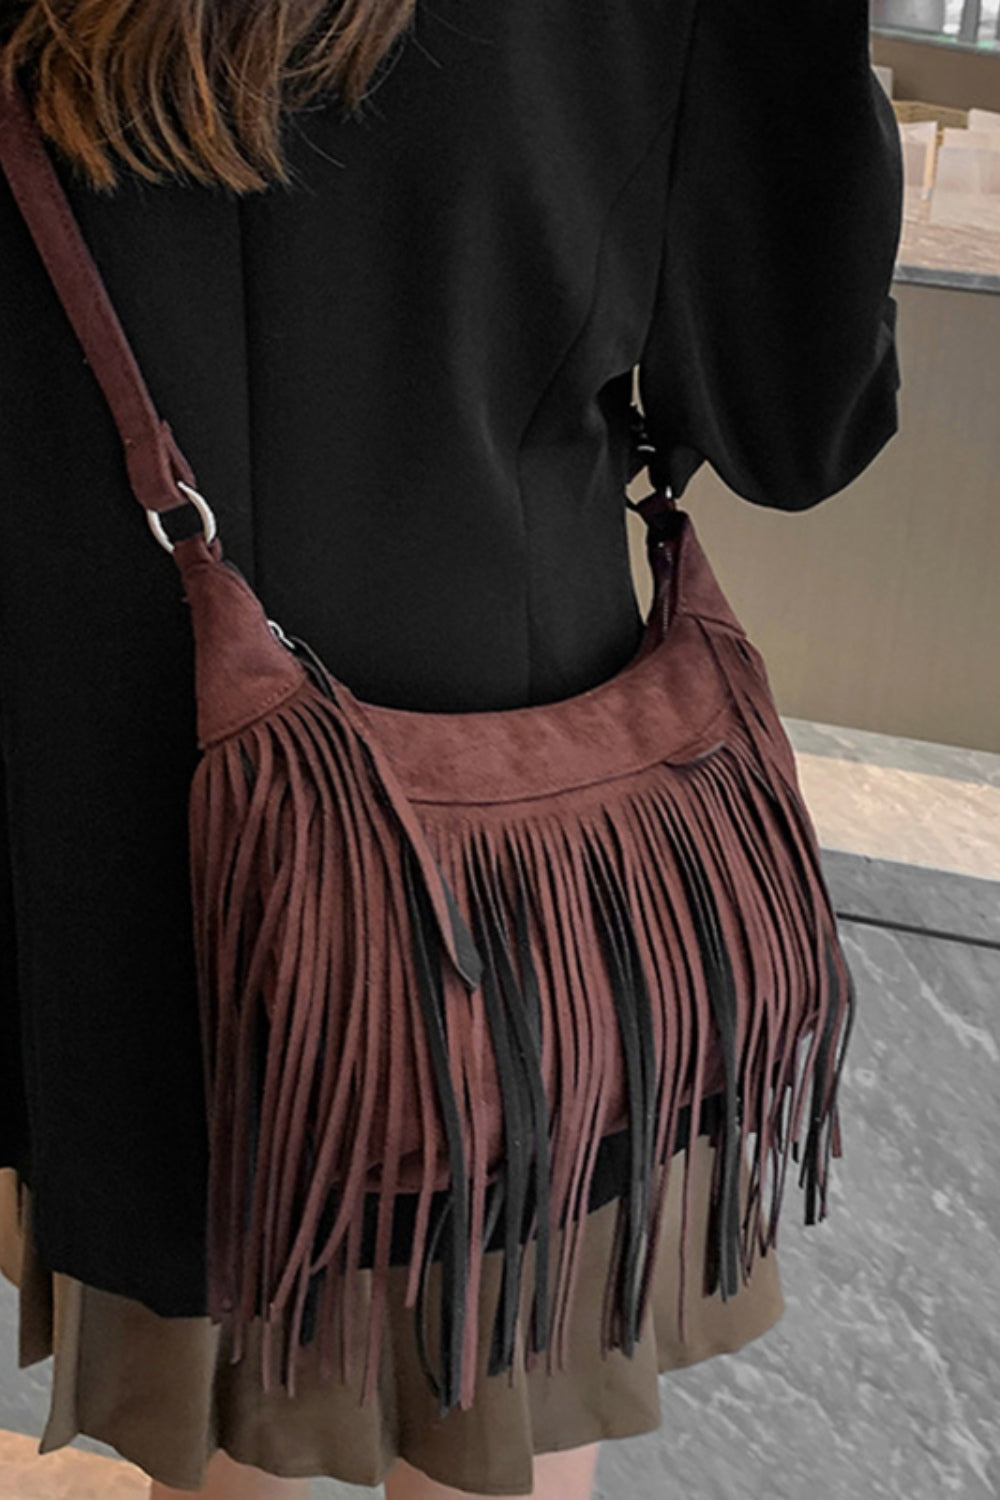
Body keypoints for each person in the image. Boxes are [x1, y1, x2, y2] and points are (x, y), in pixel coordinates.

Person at [0, 1, 903, 1498]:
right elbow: (792, 416)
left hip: (108, 804)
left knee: (220, 1382)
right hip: (499, 855)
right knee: (492, 1402)